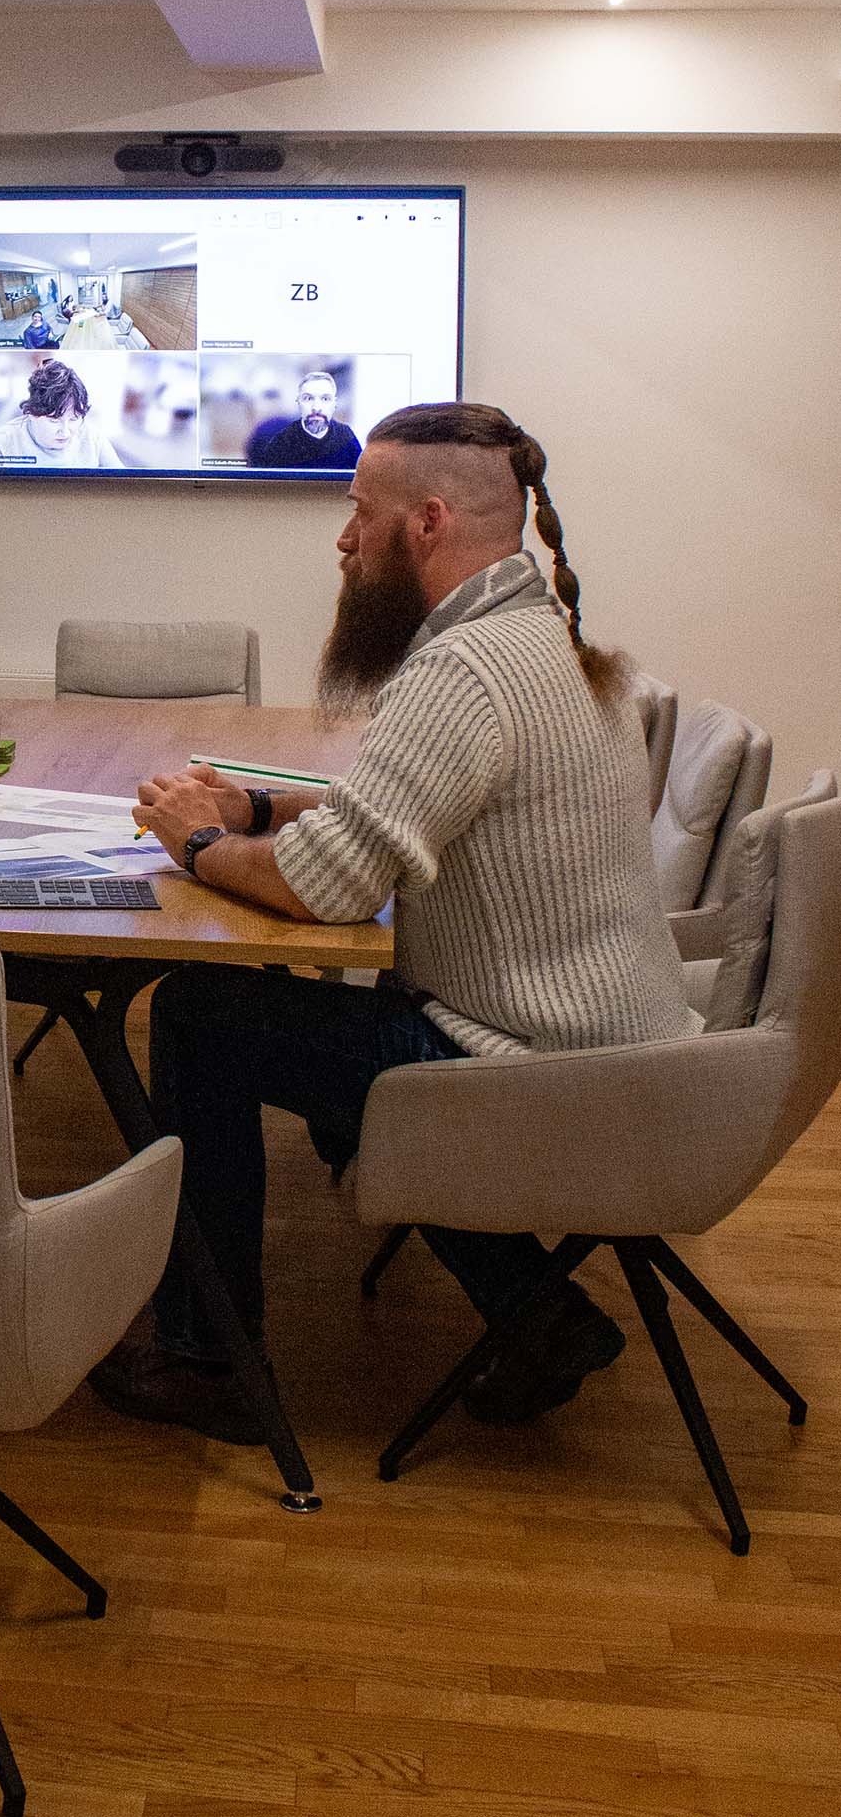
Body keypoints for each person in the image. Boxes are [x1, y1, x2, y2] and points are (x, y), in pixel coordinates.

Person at [94, 402, 698, 1442]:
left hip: (531, 1064)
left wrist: (195, 842)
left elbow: (327, 887)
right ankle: (538, 1310)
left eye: (353, 510)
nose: (339, 538)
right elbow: (404, 814)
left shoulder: (460, 671)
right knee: (323, 1018)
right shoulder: (538, 639)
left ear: (422, 522)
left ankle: (207, 1361)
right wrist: (260, 808)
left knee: (201, 1013)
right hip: (611, 1040)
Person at [0, 360, 123, 469]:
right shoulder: (0, 443)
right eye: (54, 420)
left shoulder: (94, 440)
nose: (65, 432)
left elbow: (123, 487)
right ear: (32, 413)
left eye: (74, 419)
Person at [246, 369, 362, 471]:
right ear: (298, 402)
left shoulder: (345, 436)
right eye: (308, 398)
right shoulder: (280, 440)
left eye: (325, 398)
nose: (316, 407)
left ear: (334, 403)